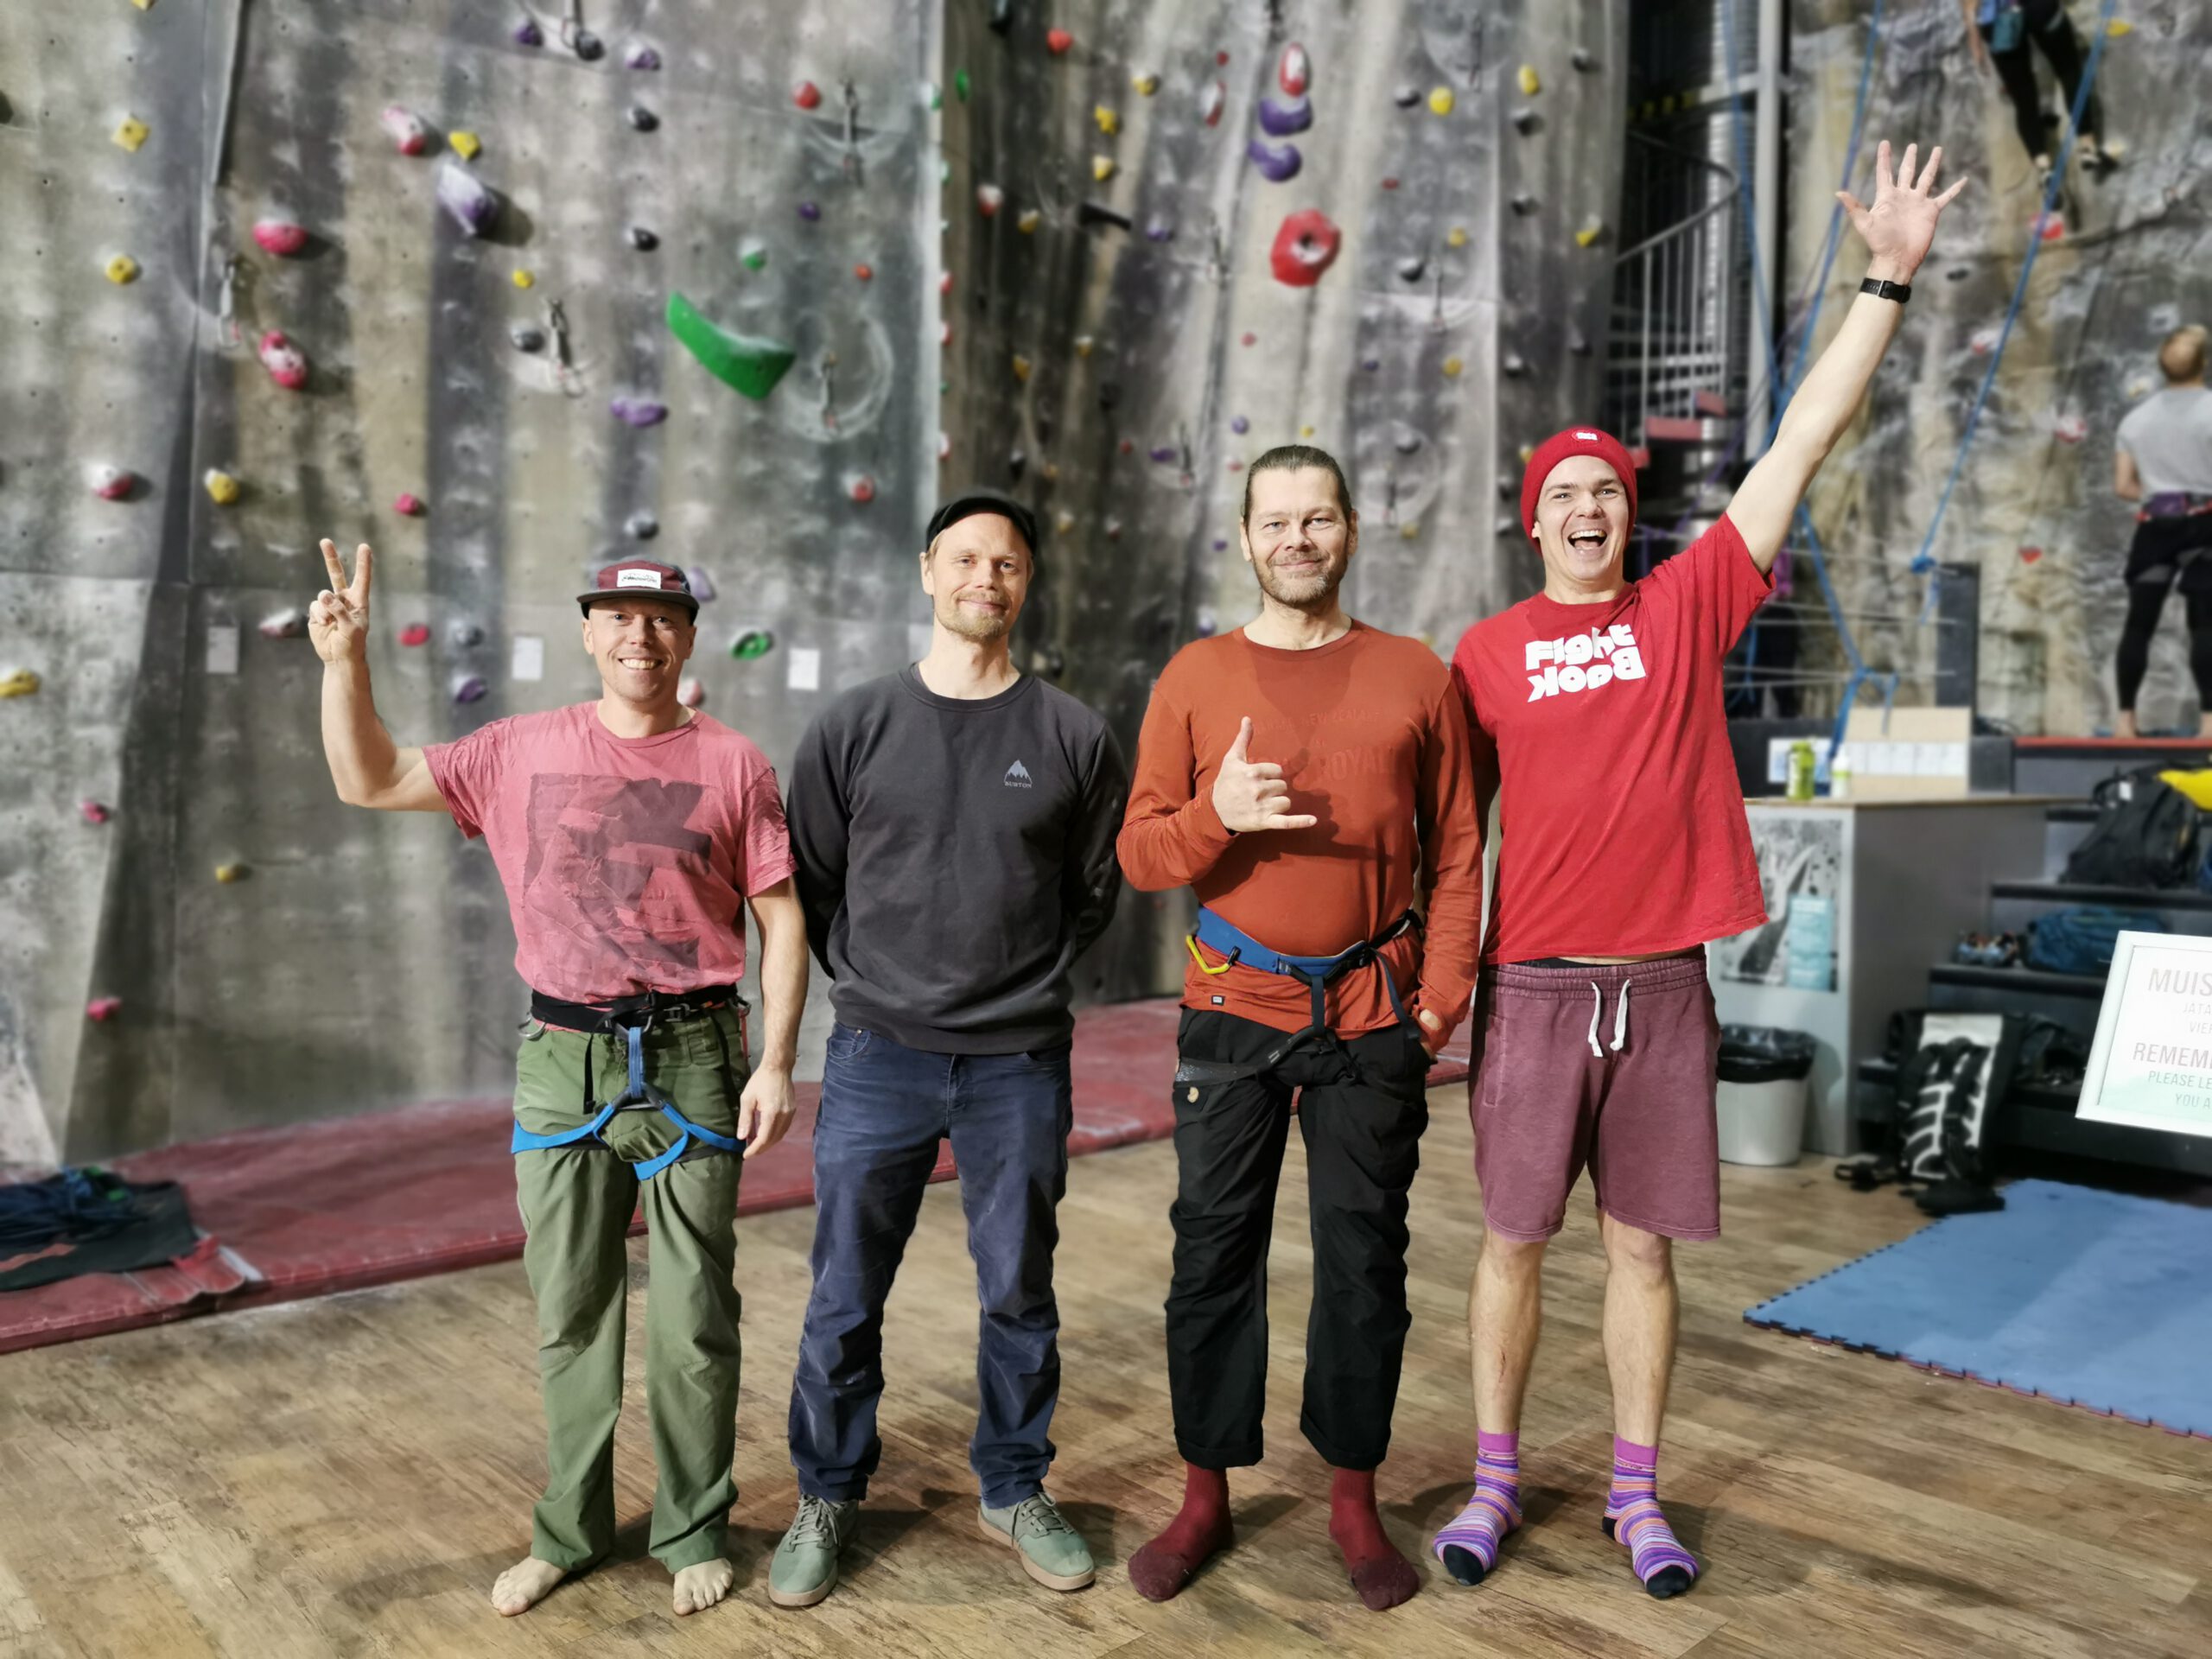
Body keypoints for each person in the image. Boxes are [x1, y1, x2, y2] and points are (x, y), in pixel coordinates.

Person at [1433, 141, 1967, 1599]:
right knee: (1511, 1246)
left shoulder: (1684, 606)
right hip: (1534, 993)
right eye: (1565, 492)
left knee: (1646, 1257)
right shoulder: (1485, 654)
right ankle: (1492, 1484)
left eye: (1608, 489)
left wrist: (1887, 278)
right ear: (1534, 519)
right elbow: (1447, 832)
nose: (1588, 506)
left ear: (1630, 513)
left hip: (1662, 992)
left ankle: (1636, 1494)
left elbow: (1798, 442)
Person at [308, 544, 808, 1620]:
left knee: (694, 1317)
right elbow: (368, 779)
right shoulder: (515, 749)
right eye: (618, 616)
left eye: (662, 618)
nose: (640, 636)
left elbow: (782, 918)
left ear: (689, 636)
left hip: (695, 1058)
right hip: (561, 1060)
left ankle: (692, 1528)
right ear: (588, 631)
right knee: (570, 1312)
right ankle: (569, 1533)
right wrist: (345, 662)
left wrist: (775, 1062)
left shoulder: (735, 764)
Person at [1116, 444, 1484, 1611]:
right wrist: (1215, 816)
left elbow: (1460, 851)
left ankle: (1352, 1499)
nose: (1297, 539)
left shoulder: (1416, 675)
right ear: (1245, 538)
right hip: (1233, 1007)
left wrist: (1440, 1002)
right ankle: (1204, 1495)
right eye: (1275, 521)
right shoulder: (1194, 677)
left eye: (1317, 518)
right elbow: (1141, 854)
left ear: (1350, 531)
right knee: (1210, 1254)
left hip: (1374, 1015)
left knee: (1364, 1262)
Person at [771, 492, 1128, 1607]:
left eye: (1007, 563)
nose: (986, 578)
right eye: (966, 559)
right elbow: (813, 883)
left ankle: (1013, 1485)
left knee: (1019, 1289)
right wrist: (880, 986)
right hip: (878, 1053)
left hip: (1017, 1063)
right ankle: (827, 1491)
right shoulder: (854, 726)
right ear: (928, 571)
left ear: (1027, 584)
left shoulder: (1073, 735)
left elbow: (1091, 892)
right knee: (843, 1292)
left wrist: (1012, 985)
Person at [2113, 325, 2212, 736]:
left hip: (2155, 526)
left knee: (2139, 624)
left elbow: (2123, 487)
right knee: (2205, 624)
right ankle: (2209, 723)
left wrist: (2159, 495)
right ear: (2204, 363)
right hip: (2205, 524)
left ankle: (2125, 721)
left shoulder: (2135, 420)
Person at [1964, 0, 2107, 198]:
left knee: (2024, 100)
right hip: (2040, 8)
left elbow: (1969, 6)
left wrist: (1975, 45)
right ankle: (2087, 145)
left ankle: (2044, 168)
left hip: (1999, 23)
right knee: (2069, 71)